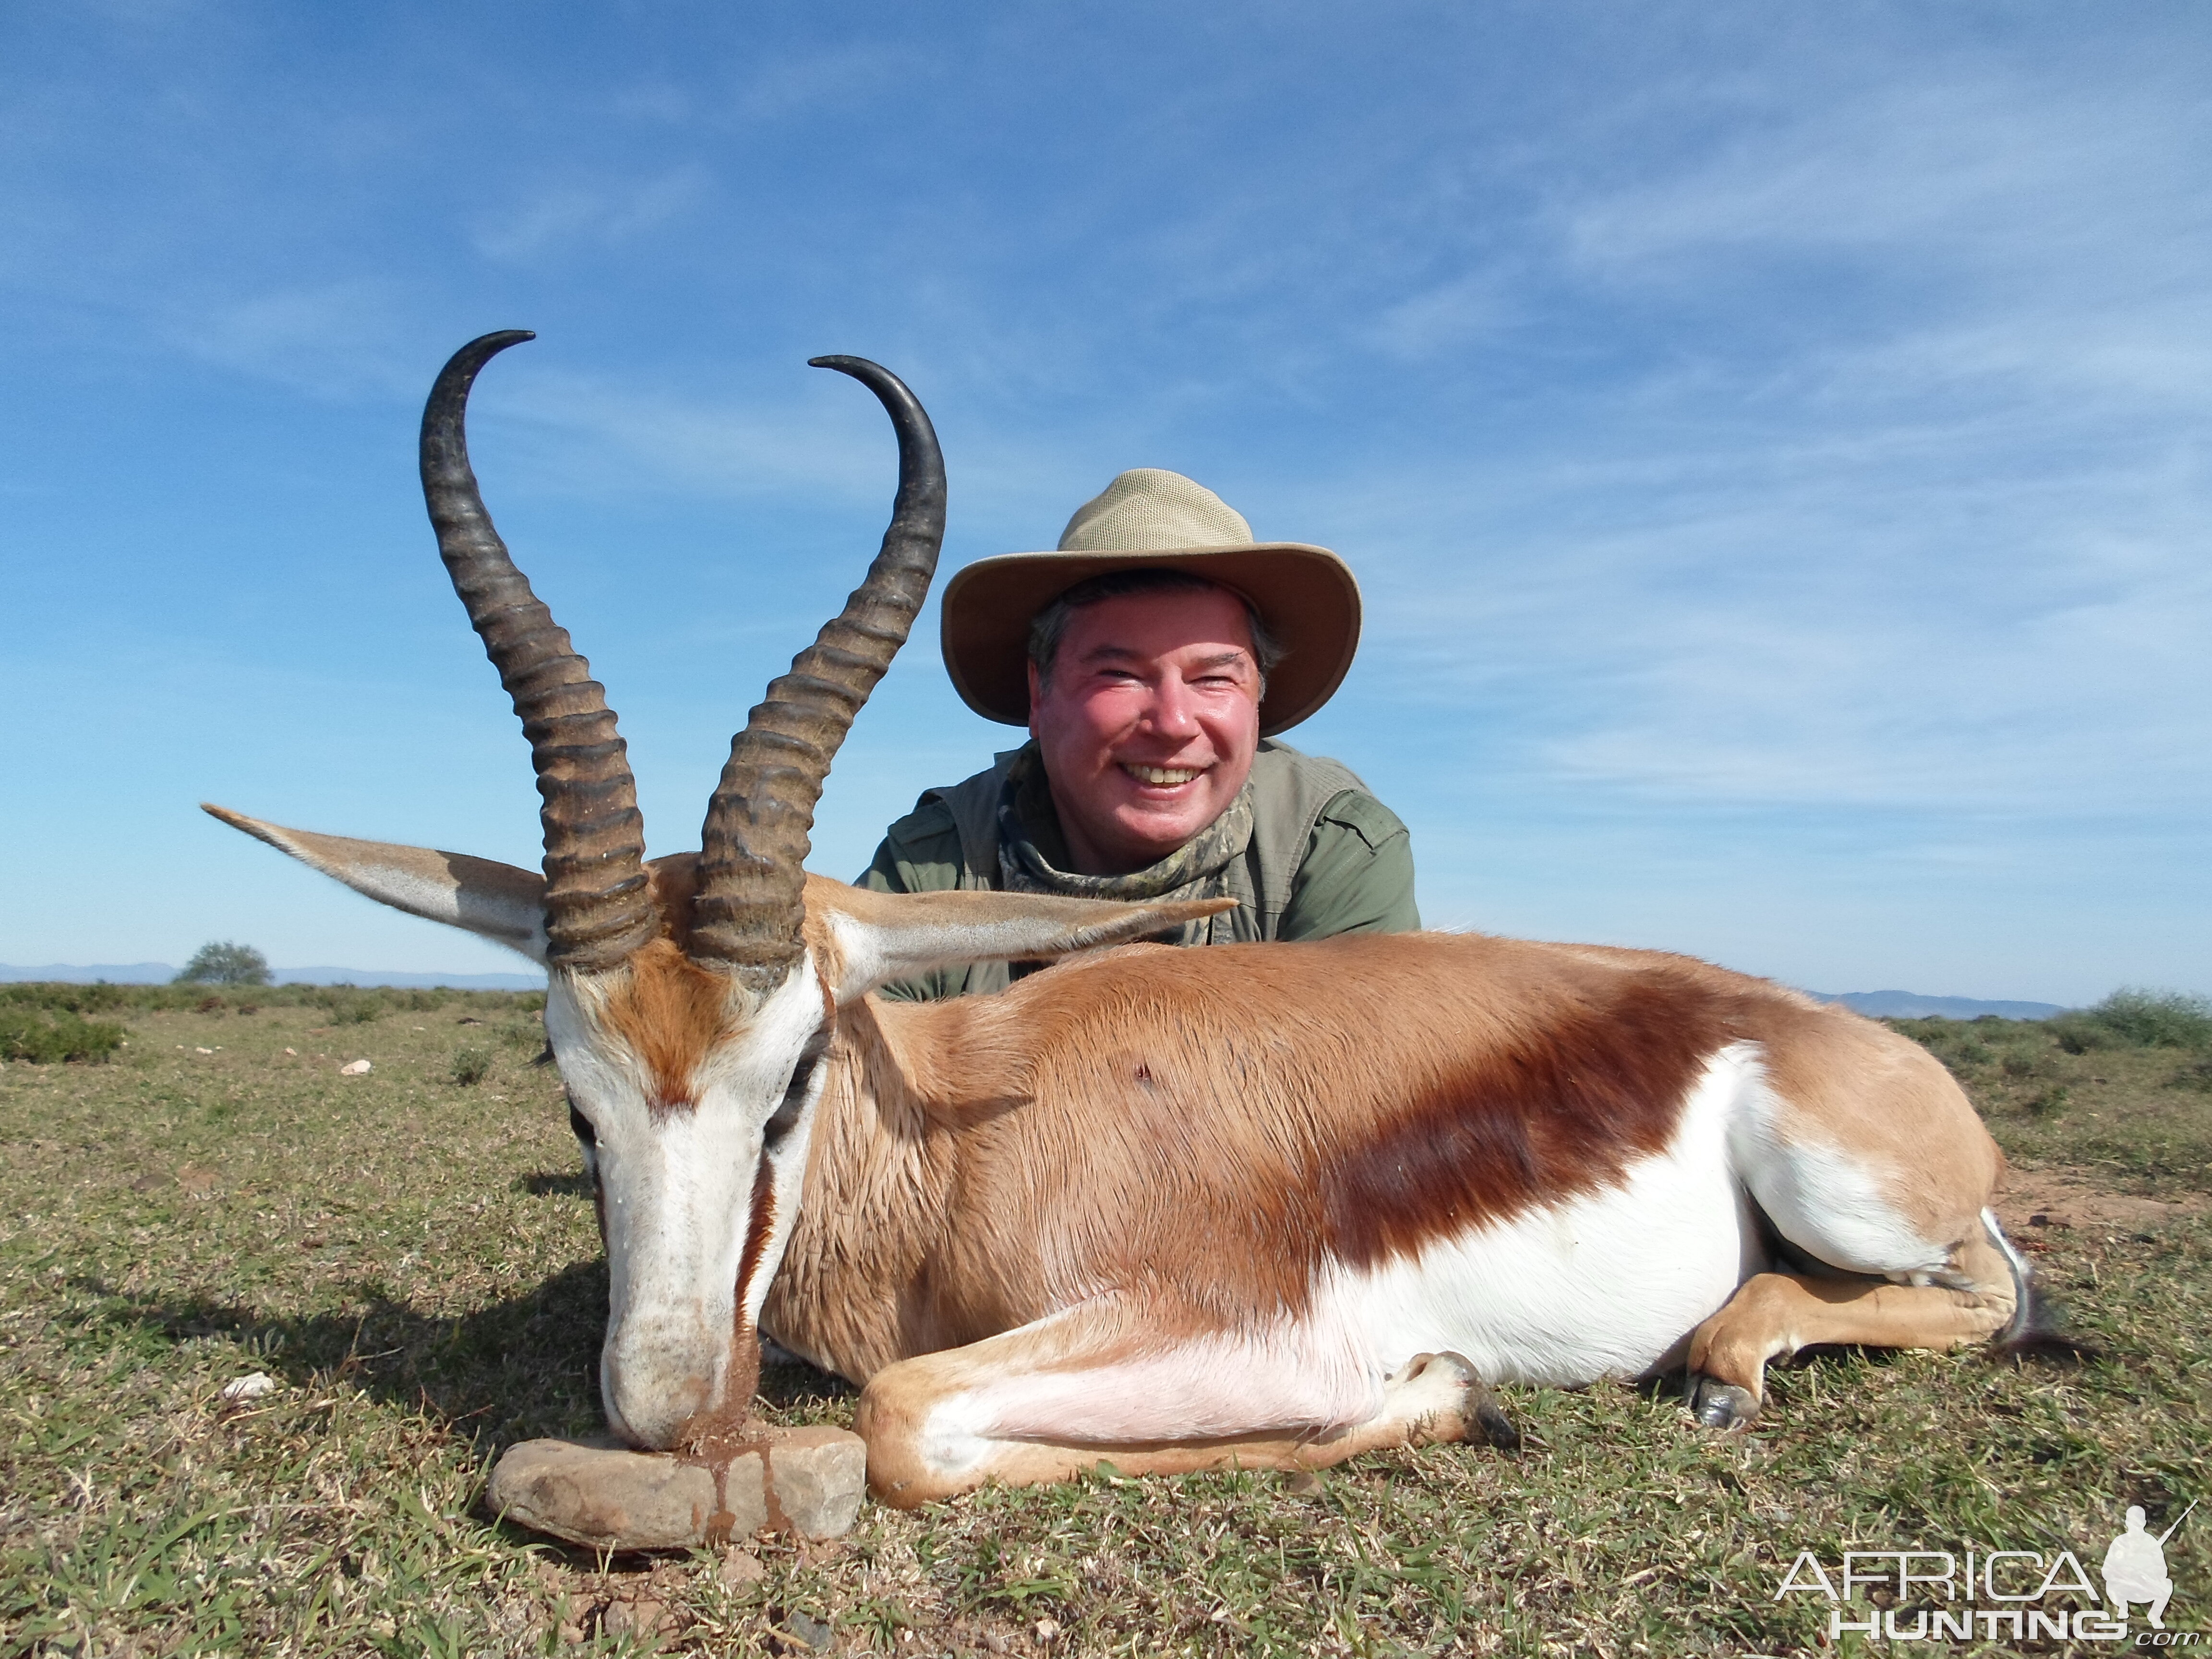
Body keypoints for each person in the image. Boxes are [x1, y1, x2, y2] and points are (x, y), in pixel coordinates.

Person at [860, 467, 1419, 999]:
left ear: (1257, 696)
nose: (1174, 723)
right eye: (1119, 675)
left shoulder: (1333, 847)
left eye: (1214, 679)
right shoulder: (932, 864)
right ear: (1040, 692)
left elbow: (1362, 1089)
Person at [2102, 1506, 2175, 1629]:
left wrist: (2149, 1572)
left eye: (2138, 1522)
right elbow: (2107, 1569)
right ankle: (2123, 1608)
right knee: (2111, 1585)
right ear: (2127, 1523)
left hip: (2146, 1586)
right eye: (2132, 1522)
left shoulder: (2151, 1542)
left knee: (2167, 1585)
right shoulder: (2120, 1542)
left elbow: (2163, 1569)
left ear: (2144, 1523)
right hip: (2124, 1585)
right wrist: (2122, 1571)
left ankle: (2155, 1615)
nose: (2135, 1525)